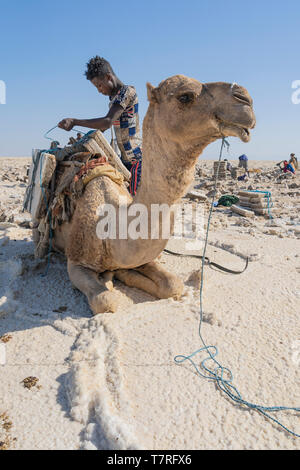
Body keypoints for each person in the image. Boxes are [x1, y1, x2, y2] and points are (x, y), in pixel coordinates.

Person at [58, 56, 142, 195]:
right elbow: (102, 127)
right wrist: (84, 138)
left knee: (133, 201)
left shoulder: (127, 92)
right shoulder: (113, 99)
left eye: (99, 85)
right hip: (124, 159)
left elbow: (107, 121)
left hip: (136, 160)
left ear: (109, 77)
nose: (99, 90)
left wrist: (75, 121)